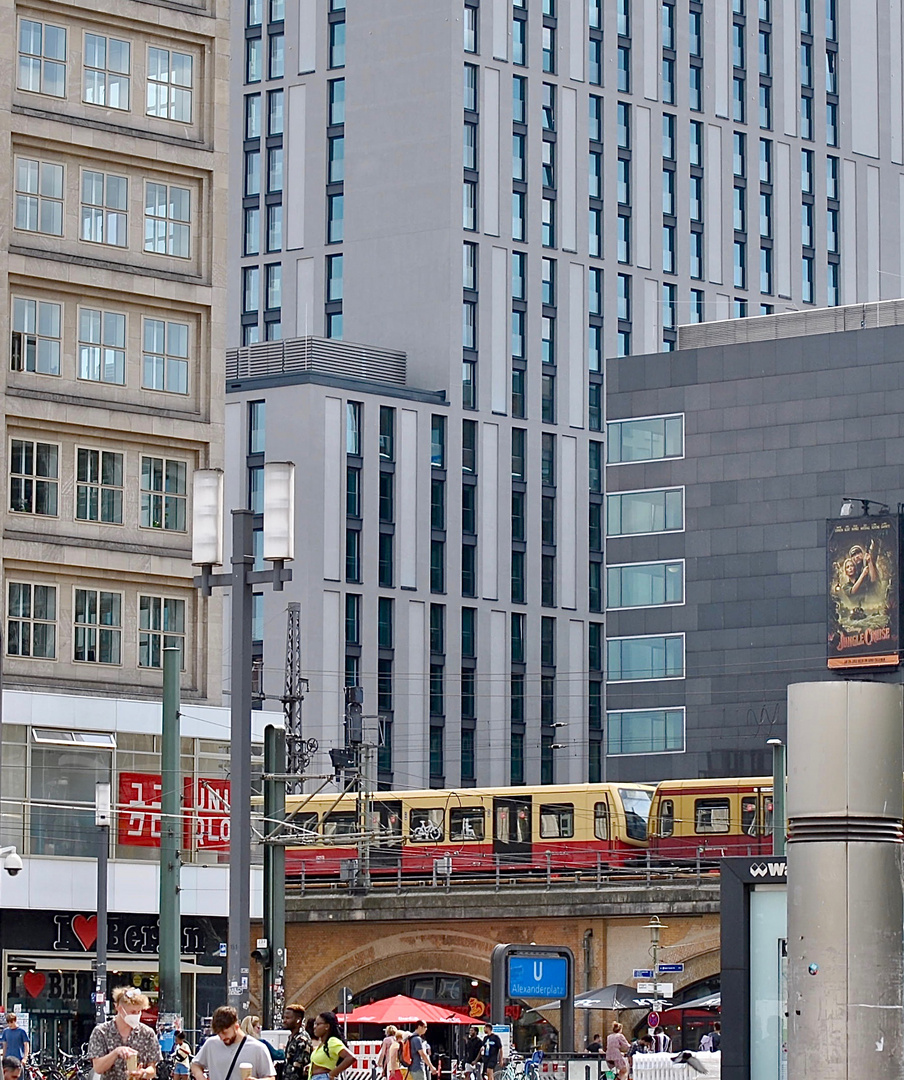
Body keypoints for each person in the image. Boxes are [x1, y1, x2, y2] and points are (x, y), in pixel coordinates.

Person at [89, 987, 162, 1080]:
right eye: (132, 1012)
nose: (136, 1015)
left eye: (139, 1011)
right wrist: (116, 1053)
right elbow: (98, 1068)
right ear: (118, 1008)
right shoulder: (101, 1032)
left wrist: (143, 1073)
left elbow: (152, 1069)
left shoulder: (147, 1033)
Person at [191, 1007, 275, 1080]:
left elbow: (271, 1077)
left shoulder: (258, 1048)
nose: (222, 1037)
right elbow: (195, 1064)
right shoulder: (211, 1044)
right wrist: (200, 1077)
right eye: (218, 1033)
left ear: (236, 1026)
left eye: (225, 1032)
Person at [309, 1013, 355, 1080]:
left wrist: (333, 1073)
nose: (314, 1027)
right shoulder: (323, 1044)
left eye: (318, 1024)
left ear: (327, 1026)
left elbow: (350, 1057)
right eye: (314, 1023)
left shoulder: (332, 1041)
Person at [282, 1004, 312, 1080]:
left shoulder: (302, 1039)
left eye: (288, 1018)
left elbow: (298, 1068)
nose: (284, 1021)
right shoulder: (292, 1037)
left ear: (298, 1019)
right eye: (284, 1018)